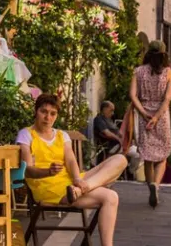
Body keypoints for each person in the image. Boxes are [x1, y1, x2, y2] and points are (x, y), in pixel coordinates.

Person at [18, 94, 127, 246]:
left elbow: (70, 160)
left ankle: (82, 189)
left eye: (53, 113)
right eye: (44, 112)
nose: (48, 117)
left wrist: (77, 180)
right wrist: (47, 172)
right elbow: (28, 170)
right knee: (111, 197)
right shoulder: (26, 134)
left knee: (121, 159)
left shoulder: (62, 135)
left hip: (72, 184)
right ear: (36, 111)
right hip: (48, 187)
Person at [130, 41, 171, 208]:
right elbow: (167, 99)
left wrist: (143, 112)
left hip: (145, 115)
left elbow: (133, 95)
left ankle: (151, 187)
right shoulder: (168, 72)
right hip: (161, 117)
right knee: (162, 156)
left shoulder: (138, 71)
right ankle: (156, 184)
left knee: (147, 157)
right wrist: (156, 117)